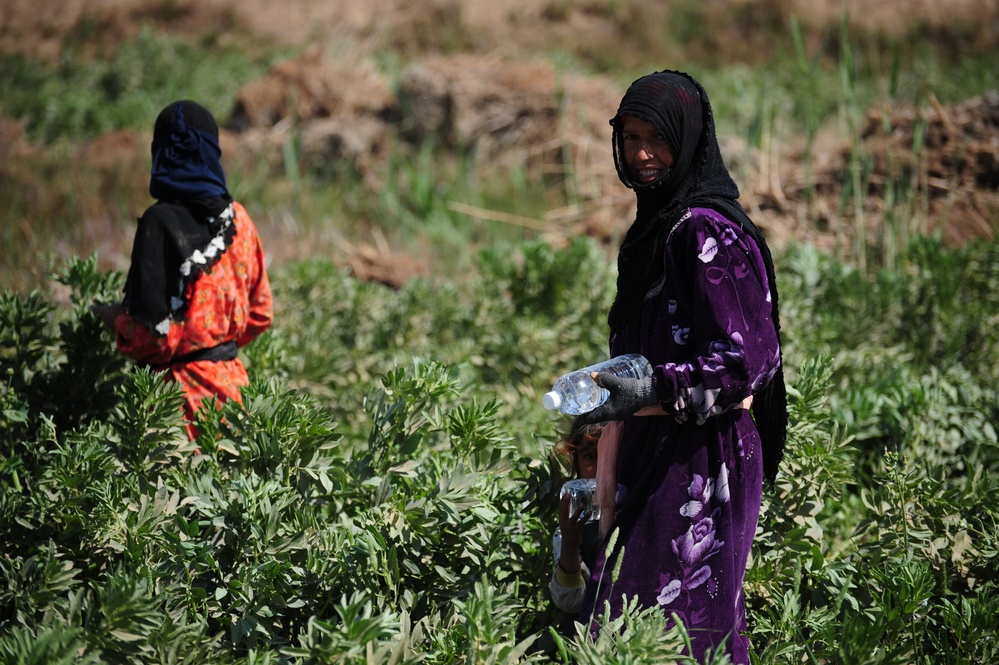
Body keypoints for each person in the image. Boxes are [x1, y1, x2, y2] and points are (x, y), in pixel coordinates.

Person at [576, 70, 787, 664]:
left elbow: (749, 359)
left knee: (667, 631)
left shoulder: (701, 231)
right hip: (662, 443)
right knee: (633, 623)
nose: (642, 154)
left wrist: (653, 386)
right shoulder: (659, 226)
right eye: (631, 137)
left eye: (659, 139)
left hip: (702, 457)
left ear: (689, 140)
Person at [94, 100, 273, 440]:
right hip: (235, 398)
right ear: (212, 152)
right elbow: (261, 314)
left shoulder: (159, 223)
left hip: (179, 409)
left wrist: (114, 319)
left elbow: (152, 340)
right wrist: (216, 345)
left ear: (158, 154)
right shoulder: (239, 220)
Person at [549, 418, 603, 617]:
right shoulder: (576, 522)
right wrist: (570, 545)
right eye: (590, 456)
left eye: (612, 456)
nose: (600, 468)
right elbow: (570, 602)